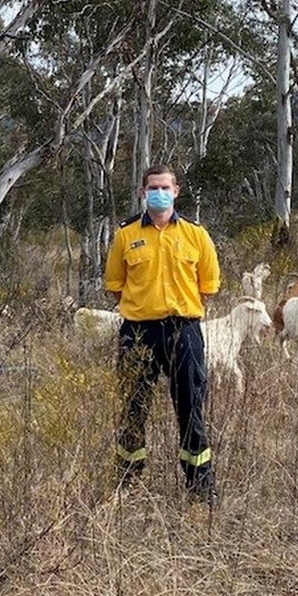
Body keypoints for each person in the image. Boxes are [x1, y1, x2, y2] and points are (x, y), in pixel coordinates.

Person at [104, 164, 221, 501]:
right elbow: (116, 286)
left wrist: (179, 311)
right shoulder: (125, 235)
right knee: (133, 407)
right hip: (138, 333)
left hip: (183, 331)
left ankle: (199, 485)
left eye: (165, 187)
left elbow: (208, 287)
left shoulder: (196, 234)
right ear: (143, 192)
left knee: (190, 407)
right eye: (152, 187)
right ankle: (128, 479)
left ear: (176, 191)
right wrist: (145, 309)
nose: (159, 192)